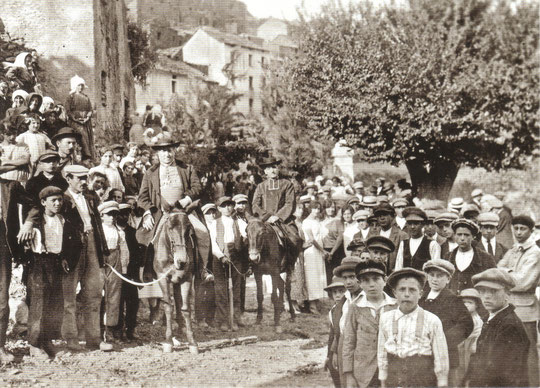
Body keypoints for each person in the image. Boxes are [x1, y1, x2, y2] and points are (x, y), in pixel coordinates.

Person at [137, 133, 211, 282]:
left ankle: (203, 269)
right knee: (144, 236)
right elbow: (142, 197)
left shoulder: (186, 168)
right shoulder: (150, 173)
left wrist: (187, 199)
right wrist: (147, 213)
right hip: (161, 213)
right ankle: (148, 271)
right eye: (163, 151)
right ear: (158, 153)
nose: (167, 154)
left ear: (174, 151)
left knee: (203, 233)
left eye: (170, 150)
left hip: (185, 212)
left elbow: (197, 187)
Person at [26, 186, 81, 358]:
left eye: (59, 200)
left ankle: (47, 340)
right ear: (43, 203)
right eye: (53, 201)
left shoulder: (62, 220)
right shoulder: (35, 221)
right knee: (39, 304)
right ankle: (34, 344)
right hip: (39, 263)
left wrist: (64, 257)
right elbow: (25, 244)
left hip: (56, 262)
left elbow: (67, 242)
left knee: (55, 304)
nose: (57, 203)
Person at [61, 165, 109, 350]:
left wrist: (103, 250)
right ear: (68, 179)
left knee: (94, 293)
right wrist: (63, 255)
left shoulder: (90, 198)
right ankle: (72, 339)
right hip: (72, 250)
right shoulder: (62, 199)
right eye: (78, 178)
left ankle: (94, 339)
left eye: (84, 178)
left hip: (92, 247)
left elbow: (98, 225)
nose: (83, 182)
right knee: (69, 297)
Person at [378, 268, 449, 388]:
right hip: (394, 380)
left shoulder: (432, 320)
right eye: (402, 289)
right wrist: (383, 379)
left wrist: (442, 382)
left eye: (412, 290)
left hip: (422, 381)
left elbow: (441, 356)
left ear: (420, 294)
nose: (406, 294)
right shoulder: (385, 319)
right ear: (395, 293)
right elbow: (382, 352)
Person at [467, 268, 529, 387]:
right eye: (482, 291)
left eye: (493, 291)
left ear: (508, 294)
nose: (486, 296)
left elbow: (499, 372)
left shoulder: (510, 326)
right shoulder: (489, 319)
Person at [497, 214, 540, 386]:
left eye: (523, 229)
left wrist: (505, 274)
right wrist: (509, 274)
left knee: (528, 351)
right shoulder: (513, 249)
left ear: (531, 231)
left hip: (526, 309)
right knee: (510, 350)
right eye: (516, 228)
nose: (519, 232)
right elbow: (497, 268)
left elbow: (523, 282)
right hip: (509, 306)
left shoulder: (535, 253)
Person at [342, 260, 397, 388]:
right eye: (366, 280)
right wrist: (349, 374)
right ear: (360, 283)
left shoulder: (396, 306)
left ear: (385, 280)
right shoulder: (355, 308)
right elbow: (349, 342)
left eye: (376, 279)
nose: (371, 285)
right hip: (364, 373)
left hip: (392, 371)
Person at [420, 259, 473, 386]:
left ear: (448, 279)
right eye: (432, 275)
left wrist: (443, 340)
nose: (435, 279)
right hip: (423, 355)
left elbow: (466, 324)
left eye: (440, 276)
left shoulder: (453, 300)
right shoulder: (421, 298)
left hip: (446, 355)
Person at [252, 157, 301, 271]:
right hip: (265, 220)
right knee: (251, 238)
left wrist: (278, 216)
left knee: (295, 239)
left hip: (283, 220)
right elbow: (255, 205)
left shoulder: (287, 184)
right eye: (269, 168)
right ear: (265, 172)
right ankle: (253, 265)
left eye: (274, 167)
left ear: (278, 168)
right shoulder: (261, 186)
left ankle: (291, 266)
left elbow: (290, 203)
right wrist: (267, 217)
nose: (272, 170)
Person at [207, 196, 246, 331]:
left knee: (236, 289)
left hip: (235, 256)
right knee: (221, 290)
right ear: (218, 208)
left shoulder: (238, 221)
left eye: (230, 205)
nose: (228, 208)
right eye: (224, 206)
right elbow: (213, 243)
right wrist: (221, 256)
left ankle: (234, 319)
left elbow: (246, 234)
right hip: (220, 258)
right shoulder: (215, 223)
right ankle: (223, 320)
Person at [99, 201, 129, 348]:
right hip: (100, 263)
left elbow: (124, 251)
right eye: (109, 215)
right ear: (101, 215)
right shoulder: (98, 231)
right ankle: (97, 331)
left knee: (114, 298)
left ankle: (110, 331)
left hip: (115, 263)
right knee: (98, 297)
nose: (112, 218)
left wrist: (123, 269)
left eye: (114, 215)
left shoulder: (119, 232)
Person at [330, 256, 363, 384]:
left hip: (361, 347)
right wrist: (335, 351)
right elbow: (339, 327)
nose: (348, 282)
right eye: (345, 278)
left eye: (352, 277)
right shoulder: (344, 300)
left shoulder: (366, 298)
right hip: (343, 346)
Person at [114, 203, 143, 341]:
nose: (123, 216)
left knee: (132, 302)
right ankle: (117, 329)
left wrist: (137, 277)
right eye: (120, 213)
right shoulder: (112, 231)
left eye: (126, 213)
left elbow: (137, 256)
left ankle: (130, 329)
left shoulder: (133, 232)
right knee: (117, 302)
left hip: (130, 274)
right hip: (117, 273)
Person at [447, 218, 496, 294]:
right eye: (459, 234)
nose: (462, 238)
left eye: (466, 235)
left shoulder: (485, 258)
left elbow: (493, 283)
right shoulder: (448, 257)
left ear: (473, 237)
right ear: (454, 236)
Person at [301, 201, 327, 314]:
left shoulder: (317, 221)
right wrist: (322, 250)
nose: (317, 211)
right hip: (311, 252)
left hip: (318, 252)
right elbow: (311, 239)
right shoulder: (306, 222)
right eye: (315, 208)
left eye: (318, 208)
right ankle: (311, 305)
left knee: (318, 276)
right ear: (310, 209)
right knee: (312, 277)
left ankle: (316, 302)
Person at [455, 288, 484, 385]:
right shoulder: (460, 316)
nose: (466, 305)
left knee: (466, 367)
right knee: (457, 368)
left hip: (469, 345)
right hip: (460, 345)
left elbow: (479, 333)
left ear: (476, 305)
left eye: (470, 302)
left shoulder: (477, 319)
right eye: (464, 302)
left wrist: (474, 345)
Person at [369, 203, 408, 272]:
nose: (382, 218)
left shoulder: (402, 235)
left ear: (393, 217)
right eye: (379, 216)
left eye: (385, 215)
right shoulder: (373, 235)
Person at [325, 276, 346, 388]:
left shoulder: (349, 308)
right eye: (335, 292)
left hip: (346, 345)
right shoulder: (333, 310)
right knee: (333, 369)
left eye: (341, 292)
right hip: (336, 346)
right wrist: (329, 355)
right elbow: (332, 334)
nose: (338, 295)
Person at [65, 75, 94, 160]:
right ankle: (78, 155)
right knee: (80, 137)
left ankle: (87, 156)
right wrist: (75, 119)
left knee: (87, 138)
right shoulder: (70, 97)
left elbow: (90, 109)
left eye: (82, 85)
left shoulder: (86, 97)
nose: (80, 87)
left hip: (86, 122)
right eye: (78, 85)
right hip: (75, 122)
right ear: (74, 86)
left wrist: (87, 118)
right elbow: (68, 110)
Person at [321, 200, 345, 285]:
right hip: (325, 250)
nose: (331, 209)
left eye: (332, 207)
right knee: (328, 274)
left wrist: (332, 252)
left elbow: (340, 237)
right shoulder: (321, 222)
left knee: (337, 274)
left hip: (336, 250)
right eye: (328, 207)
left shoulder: (338, 220)